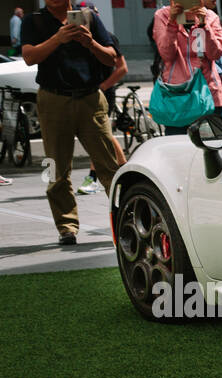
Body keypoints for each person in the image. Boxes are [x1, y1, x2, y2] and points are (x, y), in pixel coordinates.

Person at [20, 0, 122, 245]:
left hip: (90, 97)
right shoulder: (34, 20)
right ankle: (67, 226)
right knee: (56, 168)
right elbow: (29, 57)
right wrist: (58, 38)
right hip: (53, 98)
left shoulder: (88, 16)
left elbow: (111, 58)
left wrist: (90, 42)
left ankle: (123, 221)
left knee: (109, 165)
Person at [153, 0, 222, 134]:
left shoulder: (211, 17)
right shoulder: (162, 15)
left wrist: (204, 25)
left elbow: (215, 54)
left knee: (213, 149)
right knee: (179, 151)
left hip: (208, 96)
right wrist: (172, 23)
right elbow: (167, 54)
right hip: (178, 98)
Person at [80, 26, 126, 194]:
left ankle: (93, 177)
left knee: (100, 135)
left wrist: (103, 86)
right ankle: (123, 169)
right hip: (88, 94)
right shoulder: (77, 37)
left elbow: (123, 68)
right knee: (102, 136)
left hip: (102, 95)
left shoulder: (107, 38)